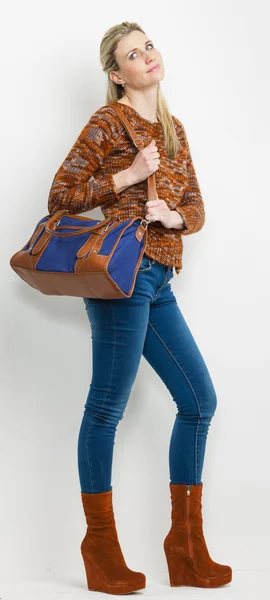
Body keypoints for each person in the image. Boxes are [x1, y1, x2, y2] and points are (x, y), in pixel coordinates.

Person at [47, 21, 232, 595]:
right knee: (108, 406)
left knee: (200, 400)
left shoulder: (173, 129)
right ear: (115, 73)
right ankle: (99, 547)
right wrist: (129, 175)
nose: (147, 56)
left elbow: (196, 206)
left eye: (148, 45)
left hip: (160, 278)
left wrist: (175, 218)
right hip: (120, 279)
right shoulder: (108, 123)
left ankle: (185, 546)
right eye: (133, 53)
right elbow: (62, 196)